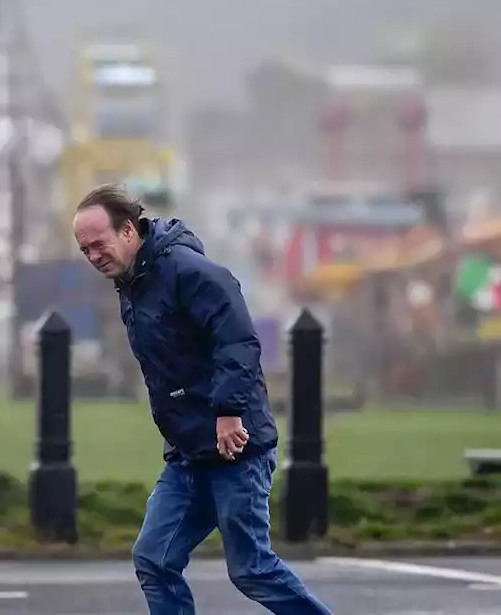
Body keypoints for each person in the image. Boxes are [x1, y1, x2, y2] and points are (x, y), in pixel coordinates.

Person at [72, 184, 332, 615]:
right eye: (85, 250)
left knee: (251, 569)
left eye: (98, 244)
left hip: (235, 447)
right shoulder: (133, 282)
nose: (94, 256)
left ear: (129, 232)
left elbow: (237, 342)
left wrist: (228, 411)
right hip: (189, 453)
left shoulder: (188, 272)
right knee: (154, 559)